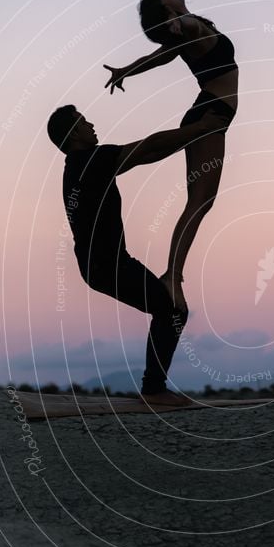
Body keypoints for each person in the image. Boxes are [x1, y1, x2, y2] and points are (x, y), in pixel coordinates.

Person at [47, 104, 229, 407]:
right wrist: (199, 129)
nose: (91, 124)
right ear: (74, 133)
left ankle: (154, 387)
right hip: (106, 266)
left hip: (104, 265)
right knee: (172, 310)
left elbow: (146, 153)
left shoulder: (80, 165)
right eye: (83, 122)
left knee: (168, 308)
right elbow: (148, 147)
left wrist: (188, 136)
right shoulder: (89, 160)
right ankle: (154, 390)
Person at [103, 0, 238, 314]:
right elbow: (179, 30)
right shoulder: (190, 26)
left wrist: (126, 69)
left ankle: (113, 163)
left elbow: (162, 56)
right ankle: (172, 277)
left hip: (211, 113)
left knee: (200, 201)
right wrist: (176, 22)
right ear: (168, 11)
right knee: (200, 202)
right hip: (210, 115)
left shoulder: (191, 28)